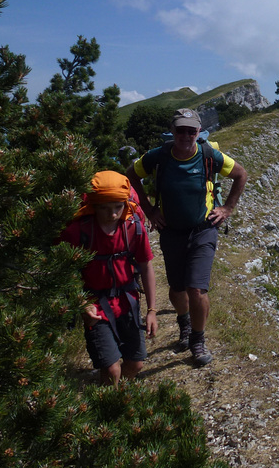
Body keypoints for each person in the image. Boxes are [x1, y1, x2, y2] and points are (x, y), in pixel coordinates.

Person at [126, 108, 247, 367]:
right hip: (171, 231)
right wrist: (148, 210)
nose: (186, 135)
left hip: (203, 229)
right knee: (177, 289)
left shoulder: (208, 155)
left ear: (199, 132)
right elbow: (131, 175)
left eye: (191, 131)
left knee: (196, 288)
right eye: (181, 130)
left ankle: (197, 339)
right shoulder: (158, 156)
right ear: (173, 130)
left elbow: (240, 174)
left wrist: (226, 208)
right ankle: (184, 322)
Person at [60, 170, 158, 386]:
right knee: (112, 368)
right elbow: (63, 271)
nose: (112, 214)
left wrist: (152, 310)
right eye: (104, 208)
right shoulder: (77, 232)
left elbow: (146, 265)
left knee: (136, 363)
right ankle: (108, 402)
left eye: (117, 207)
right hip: (95, 306)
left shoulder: (134, 228)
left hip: (127, 302)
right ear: (93, 206)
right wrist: (81, 302)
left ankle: (116, 397)